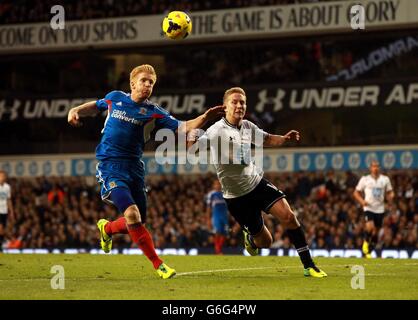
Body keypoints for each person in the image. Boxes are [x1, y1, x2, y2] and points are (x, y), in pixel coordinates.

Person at [68, 64, 224, 279]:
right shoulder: (115, 98)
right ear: (133, 83)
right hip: (110, 165)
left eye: (151, 83)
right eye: (144, 81)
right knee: (132, 214)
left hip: (135, 168)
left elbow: (184, 126)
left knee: (137, 221)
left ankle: (108, 229)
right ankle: (158, 265)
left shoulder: (153, 112)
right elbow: (96, 106)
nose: (148, 85)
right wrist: (75, 110)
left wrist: (205, 116)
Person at [188, 87, 327, 278]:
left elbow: (268, 139)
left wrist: (285, 139)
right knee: (265, 242)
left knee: (288, 216)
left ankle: (308, 265)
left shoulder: (247, 126)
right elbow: (192, 149)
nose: (239, 105)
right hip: (236, 197)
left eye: (242, 102)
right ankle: (251, 238)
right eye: (235, 102)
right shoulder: (216, 131)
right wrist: (202, 120)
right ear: (226, 107)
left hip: (256, 183)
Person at [353, 160, 394, 258]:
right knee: (370, 227)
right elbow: (356, 193)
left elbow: (390, 192)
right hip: (369, 207)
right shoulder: (365, 179)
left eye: (377, 166)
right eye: (374, 166)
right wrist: (362, 202)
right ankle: (366, 242)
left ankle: (369, 252)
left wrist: (391, 196)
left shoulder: (385, 179)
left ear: (379, 168)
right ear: (370, 168)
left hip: (380, 209)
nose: (375, 168)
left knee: (376, 232)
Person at [205, 180, 229, 254]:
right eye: (216, 184)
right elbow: (208, 208)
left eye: (219, 184)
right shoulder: (211, 194)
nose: (218, 186)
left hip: (225, 215)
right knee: (218, 232)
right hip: (216, 216)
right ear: (213, 186)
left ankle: (218, 250)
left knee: (225, 233)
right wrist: (208, 219)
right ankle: (218, 251)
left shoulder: (225, 193)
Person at [0, 170, 15, 249]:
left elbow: (9, 200)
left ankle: (1, 243)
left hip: (4, 210)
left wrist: (11, 212)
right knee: (1, 228)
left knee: (2, 230)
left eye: (3, 176)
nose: (1, 177)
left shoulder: (7, 187)